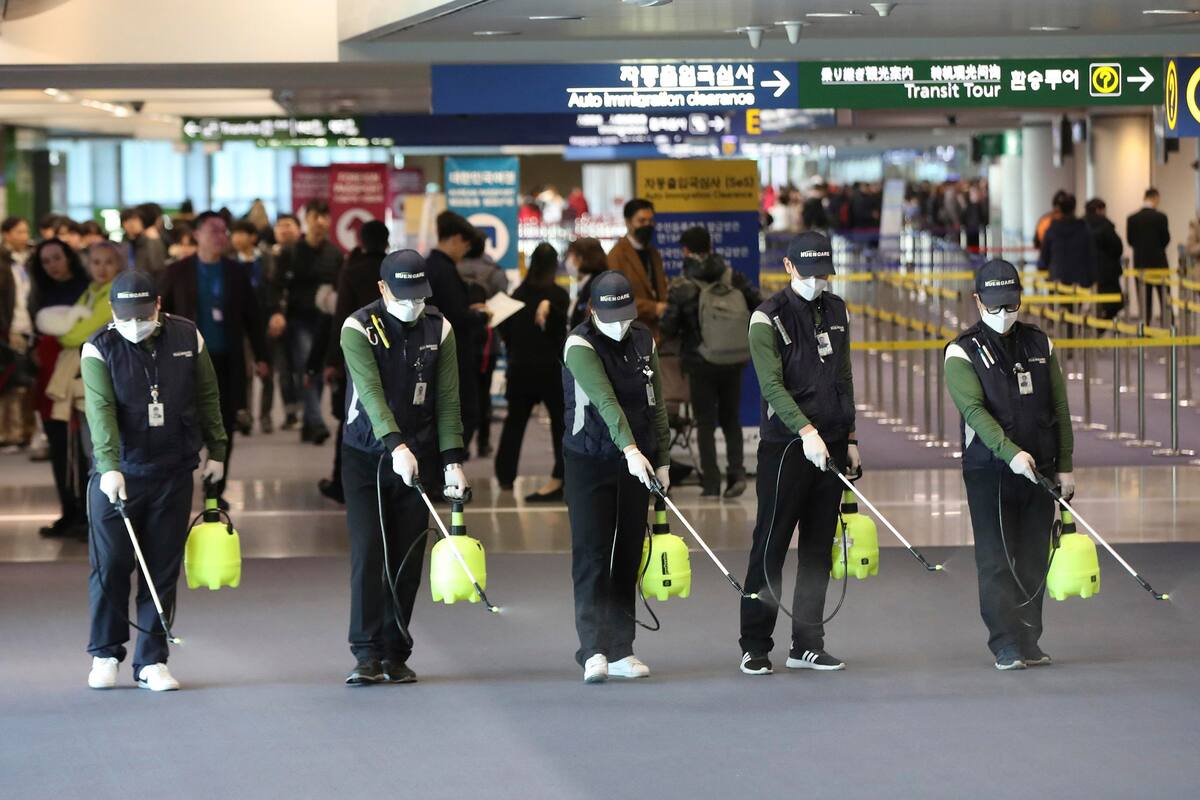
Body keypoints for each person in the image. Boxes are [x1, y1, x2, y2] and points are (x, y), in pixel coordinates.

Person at [81, 271, 227, 692]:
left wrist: (217, 450)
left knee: (160, 568)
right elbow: (101, 411)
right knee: (111, 566)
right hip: (119, 474)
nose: (134, 324)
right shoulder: (99, 348)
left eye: (142, 315)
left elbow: (208, 397)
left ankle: (152, 661)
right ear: (113, 313)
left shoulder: (187, 337)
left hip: (173, 470)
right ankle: (105, 652)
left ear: (158, 305)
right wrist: (109, 465)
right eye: (125, 318)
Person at [338, 250, 466, 685]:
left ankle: (396, 651)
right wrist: (394, 444)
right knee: (370, 550)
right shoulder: (358, 328)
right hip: (366, 455)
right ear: (382, 289)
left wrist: (452, 461)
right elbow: (370, 394)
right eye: (403, 295)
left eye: (419, 295)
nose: (412, 304)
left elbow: (448, 399)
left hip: (423, 453)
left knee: (408, 556)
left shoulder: (440, 328)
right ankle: (366, 653)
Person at [738, 232, 859, 677]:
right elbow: (771, 387)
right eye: (808, 274)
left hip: (830, 446)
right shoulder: (766, 318)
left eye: (823, 274)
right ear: (788, 267)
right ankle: (754, 644)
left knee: (816, 549)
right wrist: (806, 431)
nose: (816, 282)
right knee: (769, 547)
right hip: (786, 448)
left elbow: (843, 376)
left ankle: (807, 642)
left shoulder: (838, 310)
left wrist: (850, 438)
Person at [945, 259, 1074, 670]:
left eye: (1012, 305)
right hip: (990, 470)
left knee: (1035, 553)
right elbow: (974, 411)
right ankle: (1004, 641)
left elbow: (1059, 407)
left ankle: (1029, 637)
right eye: (996, 306)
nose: (1005, 315)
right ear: (978, 301)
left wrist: (1064, 465)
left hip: (1040, 469)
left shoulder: (1040, 343)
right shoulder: (961, 351)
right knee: (996, 556)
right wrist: (1009, 451)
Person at [562, 271, 671, 683]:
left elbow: (655, 402)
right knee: (591, 554)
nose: (621, 324)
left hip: (638, 461)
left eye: (627, 314)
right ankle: (591, 649)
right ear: (593, 311)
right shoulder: (579, 344)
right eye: (612, 316)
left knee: (627, 553)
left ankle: (622, 648)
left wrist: (661, 458)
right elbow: (606, 401)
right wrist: (629, 449)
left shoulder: (644, 339)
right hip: (590, 460)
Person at [159, 211, 268, 507]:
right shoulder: (178, 271)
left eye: (224, 231)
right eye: (213, 231)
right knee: (184, 423)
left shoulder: (235, 272)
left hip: (227, 359)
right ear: (196, 235)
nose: (221, 236)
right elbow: (161, 313)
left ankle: (215, 490)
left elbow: (253, 317)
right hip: (186, 362)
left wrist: (261, 355)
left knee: (224, 425)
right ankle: (180, 485)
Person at [660, 226, 759, 498]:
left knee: (705, 421)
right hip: (734, 358)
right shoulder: (733, 277)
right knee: (731, 419)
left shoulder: (682, 285)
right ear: (711, 247)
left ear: (685, 251)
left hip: (699, 360)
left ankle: (712, 481)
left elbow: (668, 324)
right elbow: (758, 304)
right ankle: (736, 473)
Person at [319, 219, 389, 504]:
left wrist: (333, 361)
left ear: (360, 241)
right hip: (393, 352)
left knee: (352, 416)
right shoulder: (391, 269)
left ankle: (342, 483)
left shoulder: (352, 271)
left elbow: (342, 318)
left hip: (358, 352)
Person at [494, 242, 569, 501]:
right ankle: (562, 472)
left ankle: (505, 476)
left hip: (521, 367)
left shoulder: (517, 295)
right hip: (550, 369)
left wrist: (515, 346)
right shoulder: (559, 296)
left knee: (514, 424)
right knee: (560, 424)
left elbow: (504, 329)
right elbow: (561, 333)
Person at [26, 239, 91, 537]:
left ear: (69, 258)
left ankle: (85, 512)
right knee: (59, 446)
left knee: (81, 447)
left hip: (78, 375)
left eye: (56, 258)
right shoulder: (39, 293)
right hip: (48, 377)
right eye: (46, 261)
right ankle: (68, 510)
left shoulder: (86, 288)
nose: (52, 265)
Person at [270, 200, 342, 444]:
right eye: (315, 216)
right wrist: (277, 313)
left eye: (325, 216)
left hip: (326, 320)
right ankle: (317, 420)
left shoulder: (335, 254)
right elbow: (277, 286)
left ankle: (309, 423)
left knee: (317, 370)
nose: (320, 222)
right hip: (299, 319)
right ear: (307, 220)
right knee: (305, 365)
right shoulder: (292, 252)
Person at [425, 211, 483, 452]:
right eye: (465, 244)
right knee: (464, 413)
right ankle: (447, 468)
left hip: (433, 353)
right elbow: (454, 316)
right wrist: (479, 315)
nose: (465, 251)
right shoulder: (445, 271)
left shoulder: (429, 266)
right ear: (456, 238)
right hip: (453, 355)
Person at [457, 233, 507, 458]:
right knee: (483, 393)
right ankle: (484, 442)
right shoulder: (495, 272)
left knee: (458, 394)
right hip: (488, 342)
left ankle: (462, 443)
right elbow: (502, 303)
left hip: (458, 341)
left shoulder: (453, 270)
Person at [231, 219, 273, 435]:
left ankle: (265, 415)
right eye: (234, 234)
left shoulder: (265, 258)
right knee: (244, 370)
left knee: (267, 369)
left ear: (252, 237)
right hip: (240, 323)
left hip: (265, 319)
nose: (236, 239)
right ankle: (243, 413)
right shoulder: (230, 262)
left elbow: (273, 286)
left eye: (241, 234)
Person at [607, 199, 668, 340]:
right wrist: (654, 308)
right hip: (631, 334)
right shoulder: (617, 255)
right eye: (641, 221)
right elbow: (616, 298)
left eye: (650, 221)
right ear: (628, 223)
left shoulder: (654, 253)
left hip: (657, 333)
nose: (647, 225)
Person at [1, 216, 35, 451]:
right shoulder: (3, 263)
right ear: (6, 234)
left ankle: (26, 431)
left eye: (26, 232)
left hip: (29, 327)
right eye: (19, 232)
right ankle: (9, 433)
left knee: (27, 381)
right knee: (11, 384)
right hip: (9, 327)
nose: (24, 236)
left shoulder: (27, 261)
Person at [266, 213, 303, 431]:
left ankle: (306, 411)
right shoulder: (268, 255)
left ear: (298, 229)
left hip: (299, 318)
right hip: (274, 318)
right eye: (279, 226)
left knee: (301, 367)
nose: (283, 229)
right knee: (283, 369)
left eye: (288, 225)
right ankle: (290, 413)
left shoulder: (303, 253)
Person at [1126, 188, 1171, 323]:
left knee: (1144, 299)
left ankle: (1144, 327)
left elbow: (1130, 241)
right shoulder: (1161, 217)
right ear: (1155, 198)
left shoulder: (1132, 219)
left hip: (1140, 264)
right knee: (1165, 297)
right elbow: (1166, 239)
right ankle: (1169, 326)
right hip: (1159, 264)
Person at [1039, 194, 1096, 289]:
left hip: (1057, 278)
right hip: (1079, 279)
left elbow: (1044, 256)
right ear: (1074, 209)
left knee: (1059, 303)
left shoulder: (1052, 229)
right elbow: (1091, 254)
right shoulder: (1083, 229)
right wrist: (1092, 278)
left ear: (1060, 209)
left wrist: (1044, 271)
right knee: (1075, 303)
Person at [1084, 198, 1125, 320]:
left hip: (1087, 272)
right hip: (1107, 272)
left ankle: (1094, 327)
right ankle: (1100, 327)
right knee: (1114, 304)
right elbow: (1117, 247)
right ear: (1099, 210)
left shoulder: (1081, 225)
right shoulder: (1105, 225)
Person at [566, 237, 608, 330]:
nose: (568, 261)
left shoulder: (596, 286)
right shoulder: (592, 282)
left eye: (570, 256)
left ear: (580, 258)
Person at [120, 206, 166, 276]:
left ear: (142, 221)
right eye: (126, 220)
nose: (131, 223)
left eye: (135, 219)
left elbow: (158, 267)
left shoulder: (151, 240)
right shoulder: (122, 245)